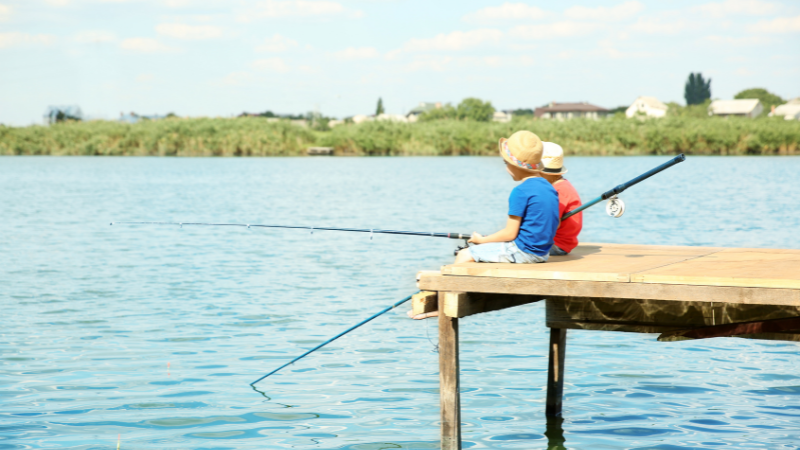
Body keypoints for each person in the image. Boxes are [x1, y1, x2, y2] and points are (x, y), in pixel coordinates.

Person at [409, 130, 559, 320]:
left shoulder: (520, 191)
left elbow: (510, 233)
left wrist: (481, 240)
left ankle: (445, 306)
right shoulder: (550, 188)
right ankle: (455, 293)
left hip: (524, 252)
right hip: (542, 254)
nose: (506, 169)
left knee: (464, 255)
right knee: (481, 251)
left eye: (506, 163)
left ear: (515, 165)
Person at [540, 142, 582, 256]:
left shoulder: (558, 191)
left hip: (556, 245)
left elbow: (552, 222)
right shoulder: (562, 185)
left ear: (545, 173)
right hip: (562, 244)